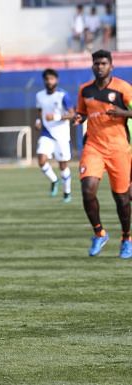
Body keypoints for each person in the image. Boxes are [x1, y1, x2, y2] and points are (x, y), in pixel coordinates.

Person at [73, 50, 132, 258]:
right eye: (96, 63)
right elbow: (81, 112)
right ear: (92, 66)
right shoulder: (85, 90)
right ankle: (99, 233)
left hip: (119, 149)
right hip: (94, 147)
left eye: (103, 63)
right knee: (87, 190)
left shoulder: (123, 88)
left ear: (111, 66)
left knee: (122, 198)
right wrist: (78, 118)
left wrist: (123, 113)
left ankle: (126, 238)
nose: (100, 67)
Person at [34, 68, 74, 203]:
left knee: (63, 166)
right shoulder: (39, 95)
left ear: (56, 80)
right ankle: (54, 180)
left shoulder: (63, 95)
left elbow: (72, 114)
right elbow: (40, 110)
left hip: (62, 135)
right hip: (47, 133)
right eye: (46, 79)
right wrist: (39, 121)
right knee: (41, 159)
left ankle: (67, 192)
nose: (49, 81)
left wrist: (56, 116)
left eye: (51, 79)